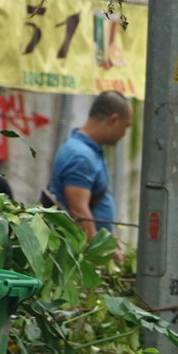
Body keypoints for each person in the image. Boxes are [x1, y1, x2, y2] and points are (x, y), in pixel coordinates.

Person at [47, 90, 132, 246]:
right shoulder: (81, 156)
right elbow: (79, 212)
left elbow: (96, 202)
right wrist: (98, 254)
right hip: (80, 255)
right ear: (113, 120)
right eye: (126, 126)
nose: (125, 133)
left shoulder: (91, 151)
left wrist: (110, 243)